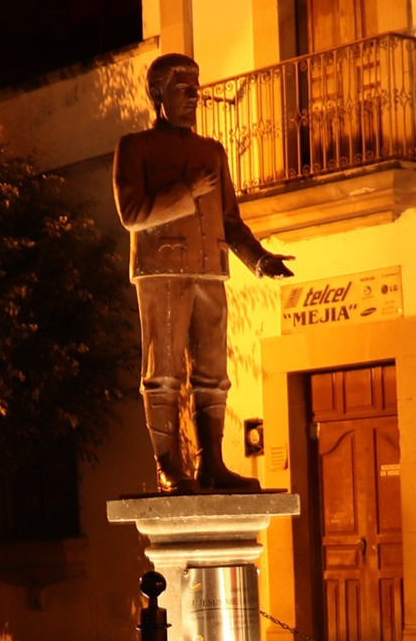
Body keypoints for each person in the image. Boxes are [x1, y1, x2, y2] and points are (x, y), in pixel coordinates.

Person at [114, 52, 293, 492]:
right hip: (161, 270)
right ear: (157, 95)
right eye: (183, 88)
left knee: (213, 370)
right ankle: (170, 466)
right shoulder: (135, 146)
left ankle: (212, 463)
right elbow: (132, 213)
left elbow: (230, 219)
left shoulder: (212, 151)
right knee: (164, 371)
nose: (194, 96)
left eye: (196, 87)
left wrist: (258, 258)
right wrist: (186, 192)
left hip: (211, 269)